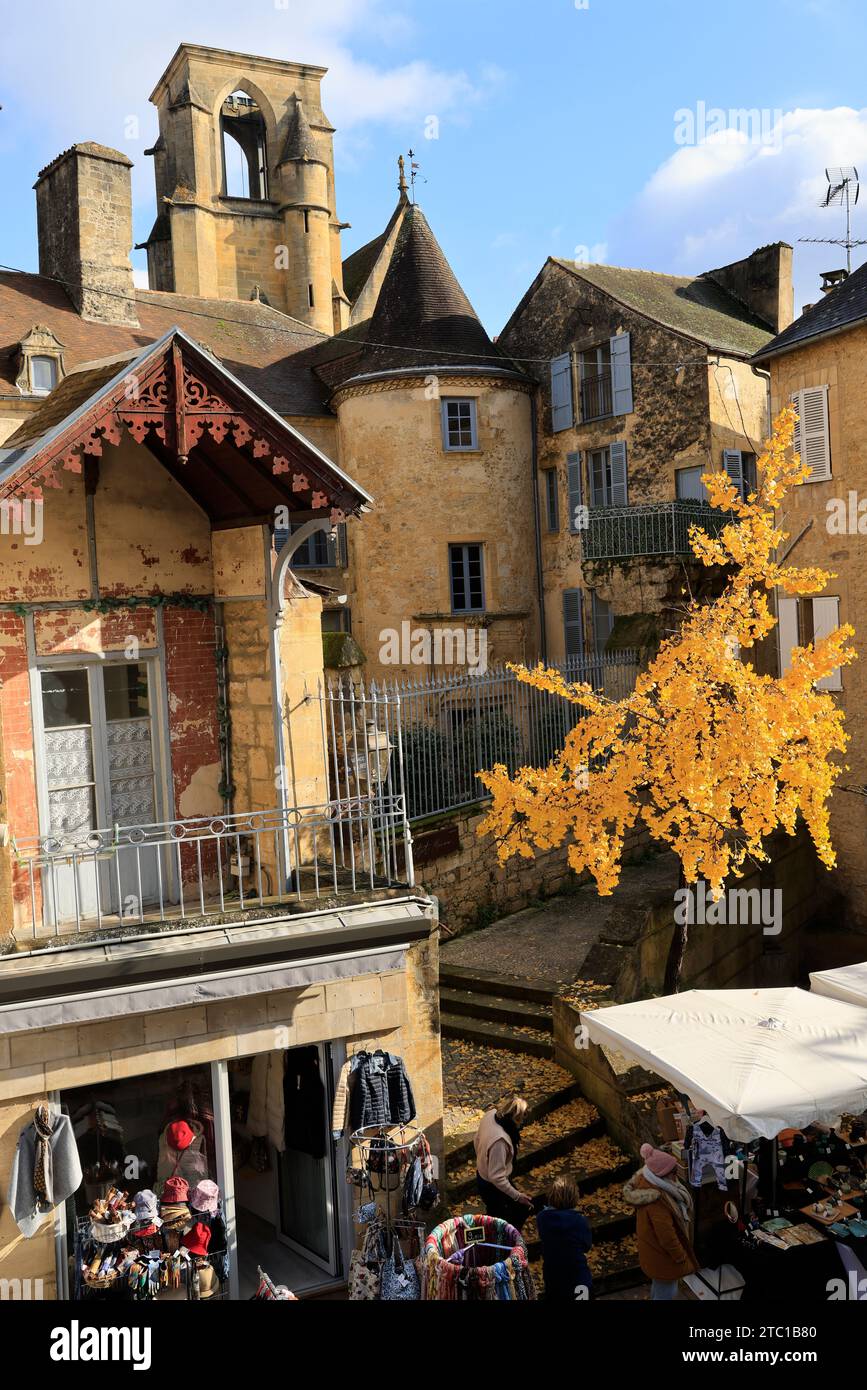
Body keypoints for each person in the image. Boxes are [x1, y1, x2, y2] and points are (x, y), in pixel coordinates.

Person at [623, 1142, 698, 1300]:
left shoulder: (646, 1183)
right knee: (667, 1293)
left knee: (660, 1286)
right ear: (663, 1174)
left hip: (653, 1252)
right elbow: (667, 1236)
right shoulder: (658, 1201)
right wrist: (681, 1256)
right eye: (673, 1172)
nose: (676, 1176)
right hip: (663, 1258)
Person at [473, 1094, 533, 1230]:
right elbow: (496, 1177)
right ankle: (507, 1242)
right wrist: (518, 1196)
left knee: (496, 1214)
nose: (522, 1124)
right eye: (522, 1120)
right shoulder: (500, 1141)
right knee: (504, 1218)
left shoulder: (490, 1115)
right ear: (516, 1119)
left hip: (483, 1175)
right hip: (491, 1185)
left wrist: (483, 1160)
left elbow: (476, 1139)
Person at [536, 1175, 593, 1302]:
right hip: (578, 1276)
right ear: (574, 1198)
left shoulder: (542, 1218)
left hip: (553, 1276)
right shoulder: (579, 1220)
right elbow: (586, 1245)